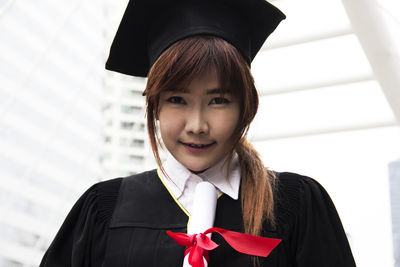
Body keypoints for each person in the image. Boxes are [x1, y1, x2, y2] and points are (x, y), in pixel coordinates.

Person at [40, 0, 357, 266]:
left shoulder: (296, 206)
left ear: (245, 107)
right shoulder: (103, 210)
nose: (197, 125)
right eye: (177, 100)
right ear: (155, 106)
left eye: (218, 100)